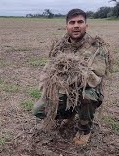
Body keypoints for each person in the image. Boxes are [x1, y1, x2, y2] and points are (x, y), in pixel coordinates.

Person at [33, 8, 111, 145]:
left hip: (87, 91)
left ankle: (84, 129)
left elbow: (95, 77)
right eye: (72, 22)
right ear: (67, 26)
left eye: (80, 22)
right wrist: (46, 88)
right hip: (63, 92)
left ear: (86, 25)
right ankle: (69, 114)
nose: (76, 25)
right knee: (39, 110)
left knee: (86, 96)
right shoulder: (59, 46)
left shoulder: (97, 47)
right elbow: (47, 70)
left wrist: (68, 78)